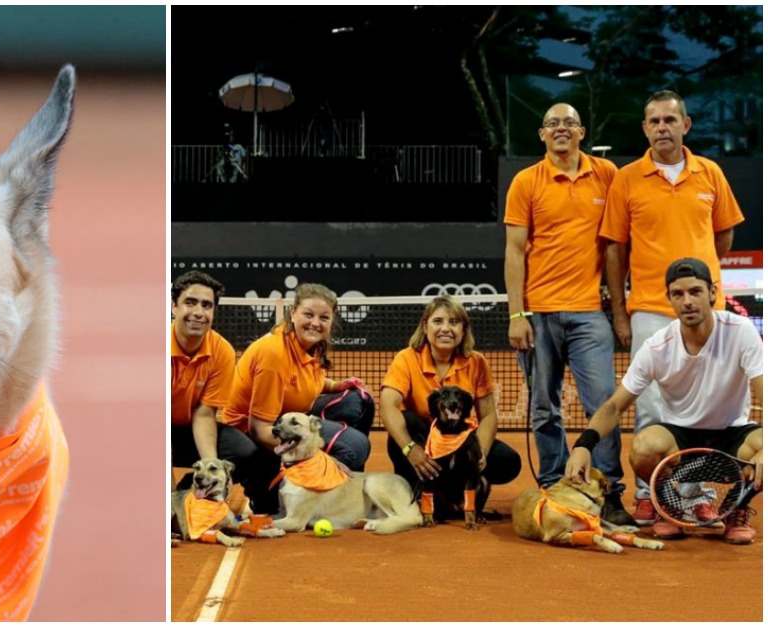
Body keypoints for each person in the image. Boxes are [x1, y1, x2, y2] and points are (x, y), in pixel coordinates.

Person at [600, 90, 746, 524]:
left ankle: (696, 494)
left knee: (702, 408)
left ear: (686, 124)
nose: (662, 127)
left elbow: (723, 236)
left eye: (670, 119)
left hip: (706, 312)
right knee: (649, 406)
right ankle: (653, 495)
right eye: (653, 121)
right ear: (645, 128)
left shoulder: (711, 173)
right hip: (648, 306)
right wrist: (622, 312)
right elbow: (615, 250)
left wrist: (703, 286)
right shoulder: (627, 179)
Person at [565, 258, 762, 544]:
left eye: (695, 291)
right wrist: (583, 446)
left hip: (732, 436)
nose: (688, 301)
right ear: (669, 298)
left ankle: (736, 508)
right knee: (644, 446)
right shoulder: (657, 346)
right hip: (679, 442)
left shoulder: (740, 331)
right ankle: (667, 506)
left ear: (712, 293)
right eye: (678, 294)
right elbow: (614, 406)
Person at [503, 103, 633, 525]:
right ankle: (554, 484)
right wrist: (517, 313)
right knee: (544, 407)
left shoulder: (608, 174)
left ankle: (609, 489)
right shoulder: (526, 182)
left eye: (569, 123)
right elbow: (515, 251)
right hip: (538, 313)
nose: (561, 128)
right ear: (542, 134)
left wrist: (618, 309)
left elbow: (617, 242)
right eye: (553, 124)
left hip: (589, 314)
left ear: (582, 132)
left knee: (602, 404)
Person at [220, 283, 372, 514]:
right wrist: (316, 456)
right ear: (293, 313)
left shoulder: (312, 345)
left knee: (358, 401)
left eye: (324, 317)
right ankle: (306, 486)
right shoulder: (274, 355)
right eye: (308, 315)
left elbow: (304, 383)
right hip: (250, 433)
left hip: (289, 416)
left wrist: (337, 385)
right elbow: (259, 429)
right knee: (354, 447)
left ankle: (339, 491)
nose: (315, 323)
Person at [380, 296, 522, 514]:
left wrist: (480, 452)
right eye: (438, 321)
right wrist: (411, 449)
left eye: (454, 322)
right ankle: (415, 492)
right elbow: (388, 405)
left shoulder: (477, 362)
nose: (446, 329)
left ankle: (453, 494)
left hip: (459, 439)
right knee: (407, 421)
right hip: (424, 440)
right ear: (425, 326)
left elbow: (488, 415)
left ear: (463, 330)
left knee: (507, 461)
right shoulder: (406, 358)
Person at [170, 271, 256, 489]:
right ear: (174, 307)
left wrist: (211, 471)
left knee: (243, 451)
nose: (198, 313)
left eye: (206, 306)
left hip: (189, 428)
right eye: (190, 303)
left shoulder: (222, 351)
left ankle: (190, 491)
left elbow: (205, 412)